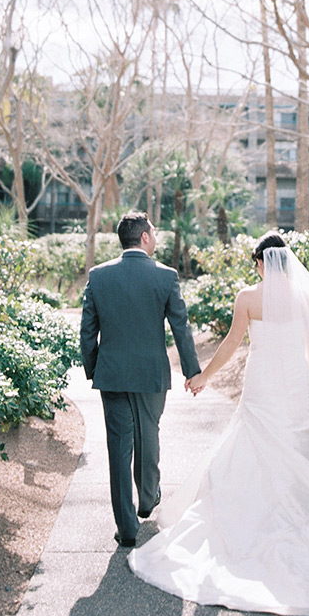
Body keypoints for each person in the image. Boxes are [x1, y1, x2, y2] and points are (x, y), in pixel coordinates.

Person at [127, 231, 309, 615]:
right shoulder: (303, 297)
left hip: (263, 383)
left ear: (261, 262)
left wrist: (204, 377)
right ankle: (308, 515)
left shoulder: (248, 298)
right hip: (293, 383)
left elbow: (232, 342)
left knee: (252, 446)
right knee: (298, 448)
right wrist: (307, 377)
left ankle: (254, 519)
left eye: (256, 264)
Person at [80, 211, 201, 549]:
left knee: (119, 447)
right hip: (151, 374)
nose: (156, 236)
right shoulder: (166, 276)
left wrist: (95, 369)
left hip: (112, 374)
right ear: (145, 237)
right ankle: (147, 499)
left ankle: (127, 527)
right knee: (149, 434)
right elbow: (181, 328)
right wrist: (192, 371)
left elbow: (87, 331)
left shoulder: (99, 276)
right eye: (154, 231)